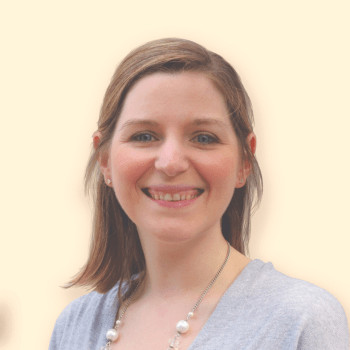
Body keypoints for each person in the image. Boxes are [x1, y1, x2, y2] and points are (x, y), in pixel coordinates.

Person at [49, 38, 349, 350]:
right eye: (144, 136)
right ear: (105, 160)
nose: (171, 163)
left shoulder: (301, 319)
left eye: (203, 137)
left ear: (244, 162)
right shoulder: (75, 324)